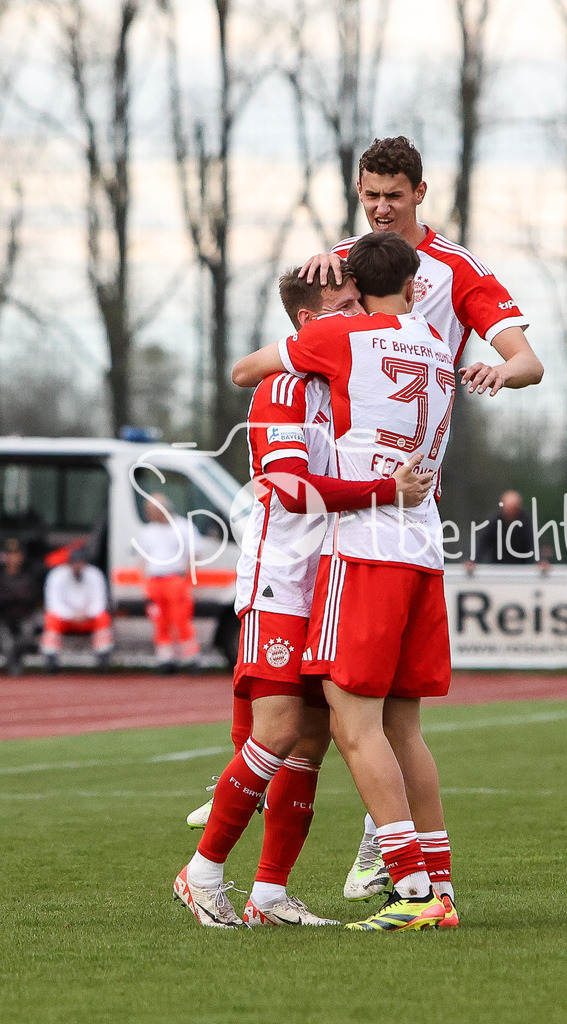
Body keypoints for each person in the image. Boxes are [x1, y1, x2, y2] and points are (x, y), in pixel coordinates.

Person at [238, 135, 543, 901]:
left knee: (346, 714)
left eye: (392, 195)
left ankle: (388, 864)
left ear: (420, 193)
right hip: (407, 523)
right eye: (369, 194)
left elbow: (528, 361)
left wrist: (500, 368)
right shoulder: (370, 287)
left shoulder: (446, 275)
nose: (379, 207)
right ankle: (418, 878)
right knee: (379, 721)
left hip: (369, 519)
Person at [173, 261, 432, 929]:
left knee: (310, 741)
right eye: (345, 307)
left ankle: (268, 895)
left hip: (330, 581)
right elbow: (289, 489)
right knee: (279, 730)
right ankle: (202, 873)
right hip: (280, 579)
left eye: (359, 303)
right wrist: (386, 491)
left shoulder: (349, 382)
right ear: (309, 324)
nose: (359, 317)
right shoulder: (283, 388)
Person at [232, 231, 470, 931]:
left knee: (352, 721)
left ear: (358, 293)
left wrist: (324, 315)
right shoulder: (440, 345)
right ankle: (440, 886)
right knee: (405, 728)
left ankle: (411, 890)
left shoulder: (344, 337)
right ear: (416, 284)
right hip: (425, 547)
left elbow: (248, 370)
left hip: (367, 548)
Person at [137, 493, 201, 673]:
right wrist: (144, 586)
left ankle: (190, 658)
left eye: (153, 510)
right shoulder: (148, 531)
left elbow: (194, 555)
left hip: (175, 580)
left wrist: (187, 580)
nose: (150, 514)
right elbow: (142, 561)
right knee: (160, 622)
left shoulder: (183, 527)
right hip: (154, 582)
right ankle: (166, 659)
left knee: (181, 619)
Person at [41, 548, 113, 672]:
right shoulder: (57, 575)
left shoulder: (95, 574)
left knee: (103, 618)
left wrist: (86, 614)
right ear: (68, 564)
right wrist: (72, 615)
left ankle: (103, 659)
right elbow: (53, 604)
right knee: (51, 619)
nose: (77, 566)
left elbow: (100, 602)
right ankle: (51, 660)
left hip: (88, 618)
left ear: (85, 563)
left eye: (80, 563)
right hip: (66, 619)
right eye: (74, 563)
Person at [0, 539, 42, 676]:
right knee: (7, 642)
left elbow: (33, 599)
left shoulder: (30, 575)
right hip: (4, 619)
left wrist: (12, 597)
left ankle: (15, 662)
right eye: (10, 554)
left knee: (28, 632)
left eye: (16, 554)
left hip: (25, 616)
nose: (13, 558)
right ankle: (14, 668)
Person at [476, 490, 535, 564]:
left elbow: (533, 542)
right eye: (508, 509)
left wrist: (540, 560)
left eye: (513, 509)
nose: (510, 513)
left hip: (522, 566)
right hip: (497, 565)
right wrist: (473, 559)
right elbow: (483, 542)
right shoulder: (494, 521)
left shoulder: (526, 522)